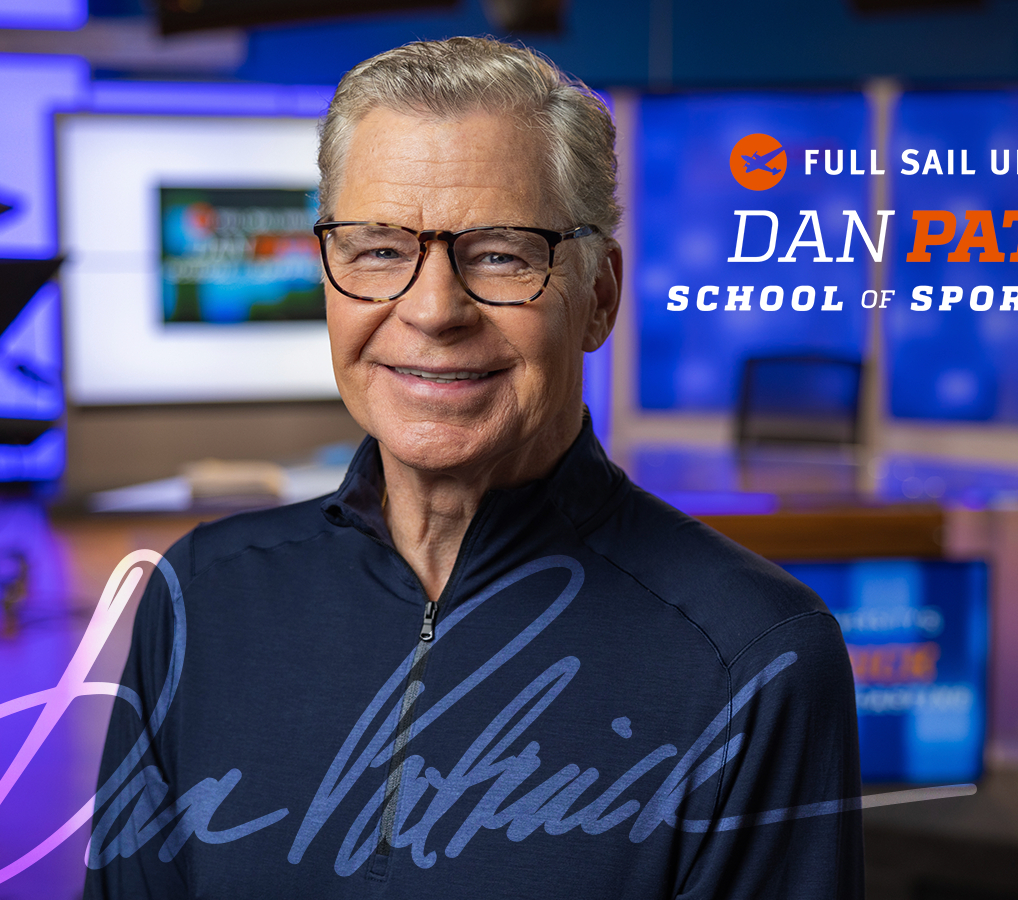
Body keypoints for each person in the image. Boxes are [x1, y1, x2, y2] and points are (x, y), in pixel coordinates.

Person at [84, 36, 862, 899]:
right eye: (379, 249)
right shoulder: (201, 596)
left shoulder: (753, 657)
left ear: (598, 295)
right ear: (329, 279)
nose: (432, 310)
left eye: (499, 253)